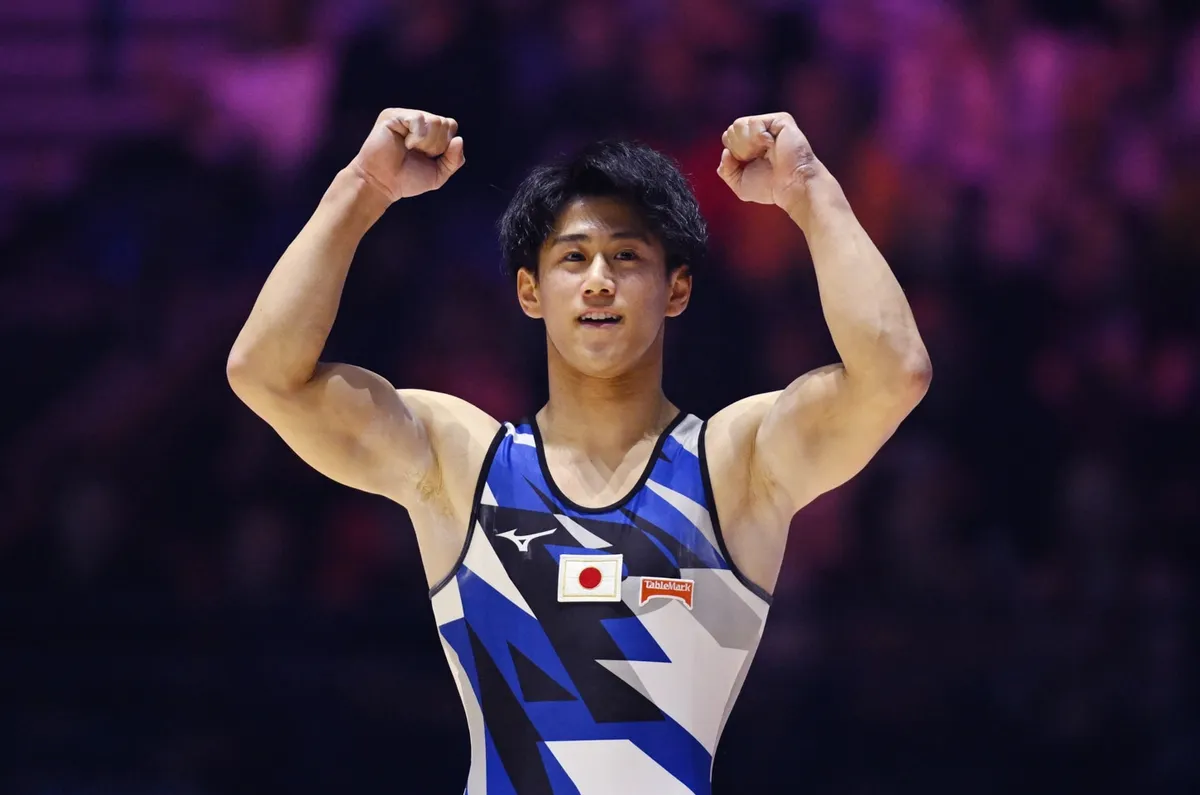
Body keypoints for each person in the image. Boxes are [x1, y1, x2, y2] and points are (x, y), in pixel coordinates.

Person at [227, 107, 930, 794]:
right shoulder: (461, 465)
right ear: (529, 291)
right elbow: (264, 374)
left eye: (626, 256)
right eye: (573, 257)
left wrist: (808, 187)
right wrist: (362, 187)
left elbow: (895, 373)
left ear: (676, 288)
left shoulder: (734, 467)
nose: (598, 279)